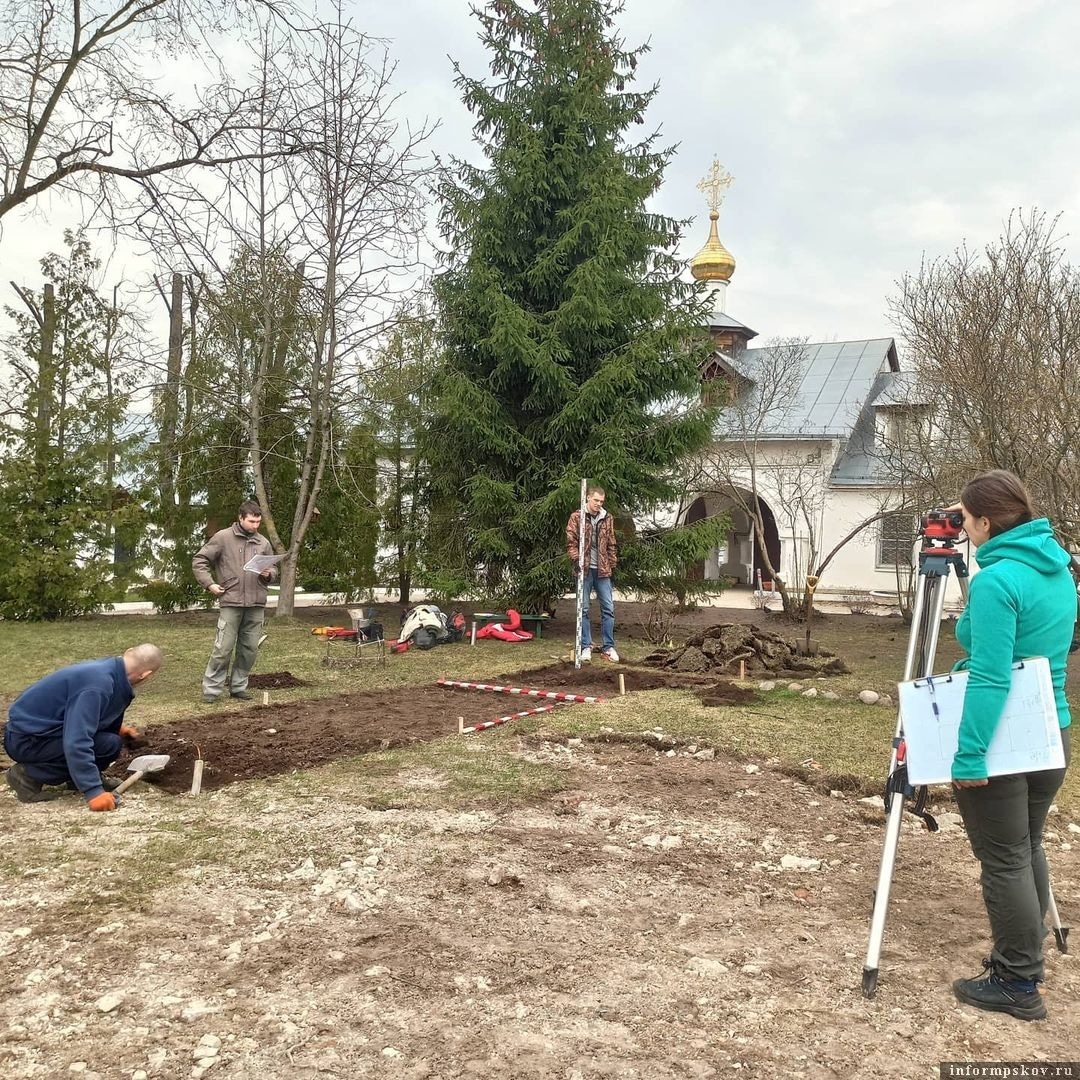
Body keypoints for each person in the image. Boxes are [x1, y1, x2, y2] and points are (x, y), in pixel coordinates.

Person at [950, 470, 1074, 1022]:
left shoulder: (998, 581)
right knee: (1025, 847)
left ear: (985, 521)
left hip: (1006, 737)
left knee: (1003, 858)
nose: (963, 527)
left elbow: (991, 676)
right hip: (1052, 732)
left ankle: (1018, 981)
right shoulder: (1059, 570)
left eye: (966, 518)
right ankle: (1027, 959)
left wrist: (970, 752)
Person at [3, 644, 163, 811]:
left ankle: (77, 779)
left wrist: (117, 728)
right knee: (104, 745)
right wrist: (93, 791)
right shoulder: (97, 685)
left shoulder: (109, 671)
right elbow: (76, 740)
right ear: (146, 675)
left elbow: (78, 713)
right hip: (27, 740)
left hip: (41, 732)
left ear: (128, 651)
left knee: (111, 743)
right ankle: (27, 775)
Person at [192, 499, 278, 703]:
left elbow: (274, 569)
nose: (255, 526)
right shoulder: (223, 537)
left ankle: (239, 687)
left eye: (258, 522)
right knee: (223, 648)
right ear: (240, 518)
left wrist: (269, 574)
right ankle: (211, 691)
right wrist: (210, 584)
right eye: (251, 521)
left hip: (256, 603)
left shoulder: (263, 542)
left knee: (249, 649)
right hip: (231, 601)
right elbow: (199, 560)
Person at [565, 484, 619, 662]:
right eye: (596, 500)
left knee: (608, 609)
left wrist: (612, 564)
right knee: (584, 609)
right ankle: (585, 646)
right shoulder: (577, 517)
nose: (598, 504)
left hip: (603, 570)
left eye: (601, 501)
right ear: (588, 498)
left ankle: (608, 647)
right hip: (585, 569)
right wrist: (576, 559)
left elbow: (611, 542)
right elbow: (571, 541)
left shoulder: (607, 518)